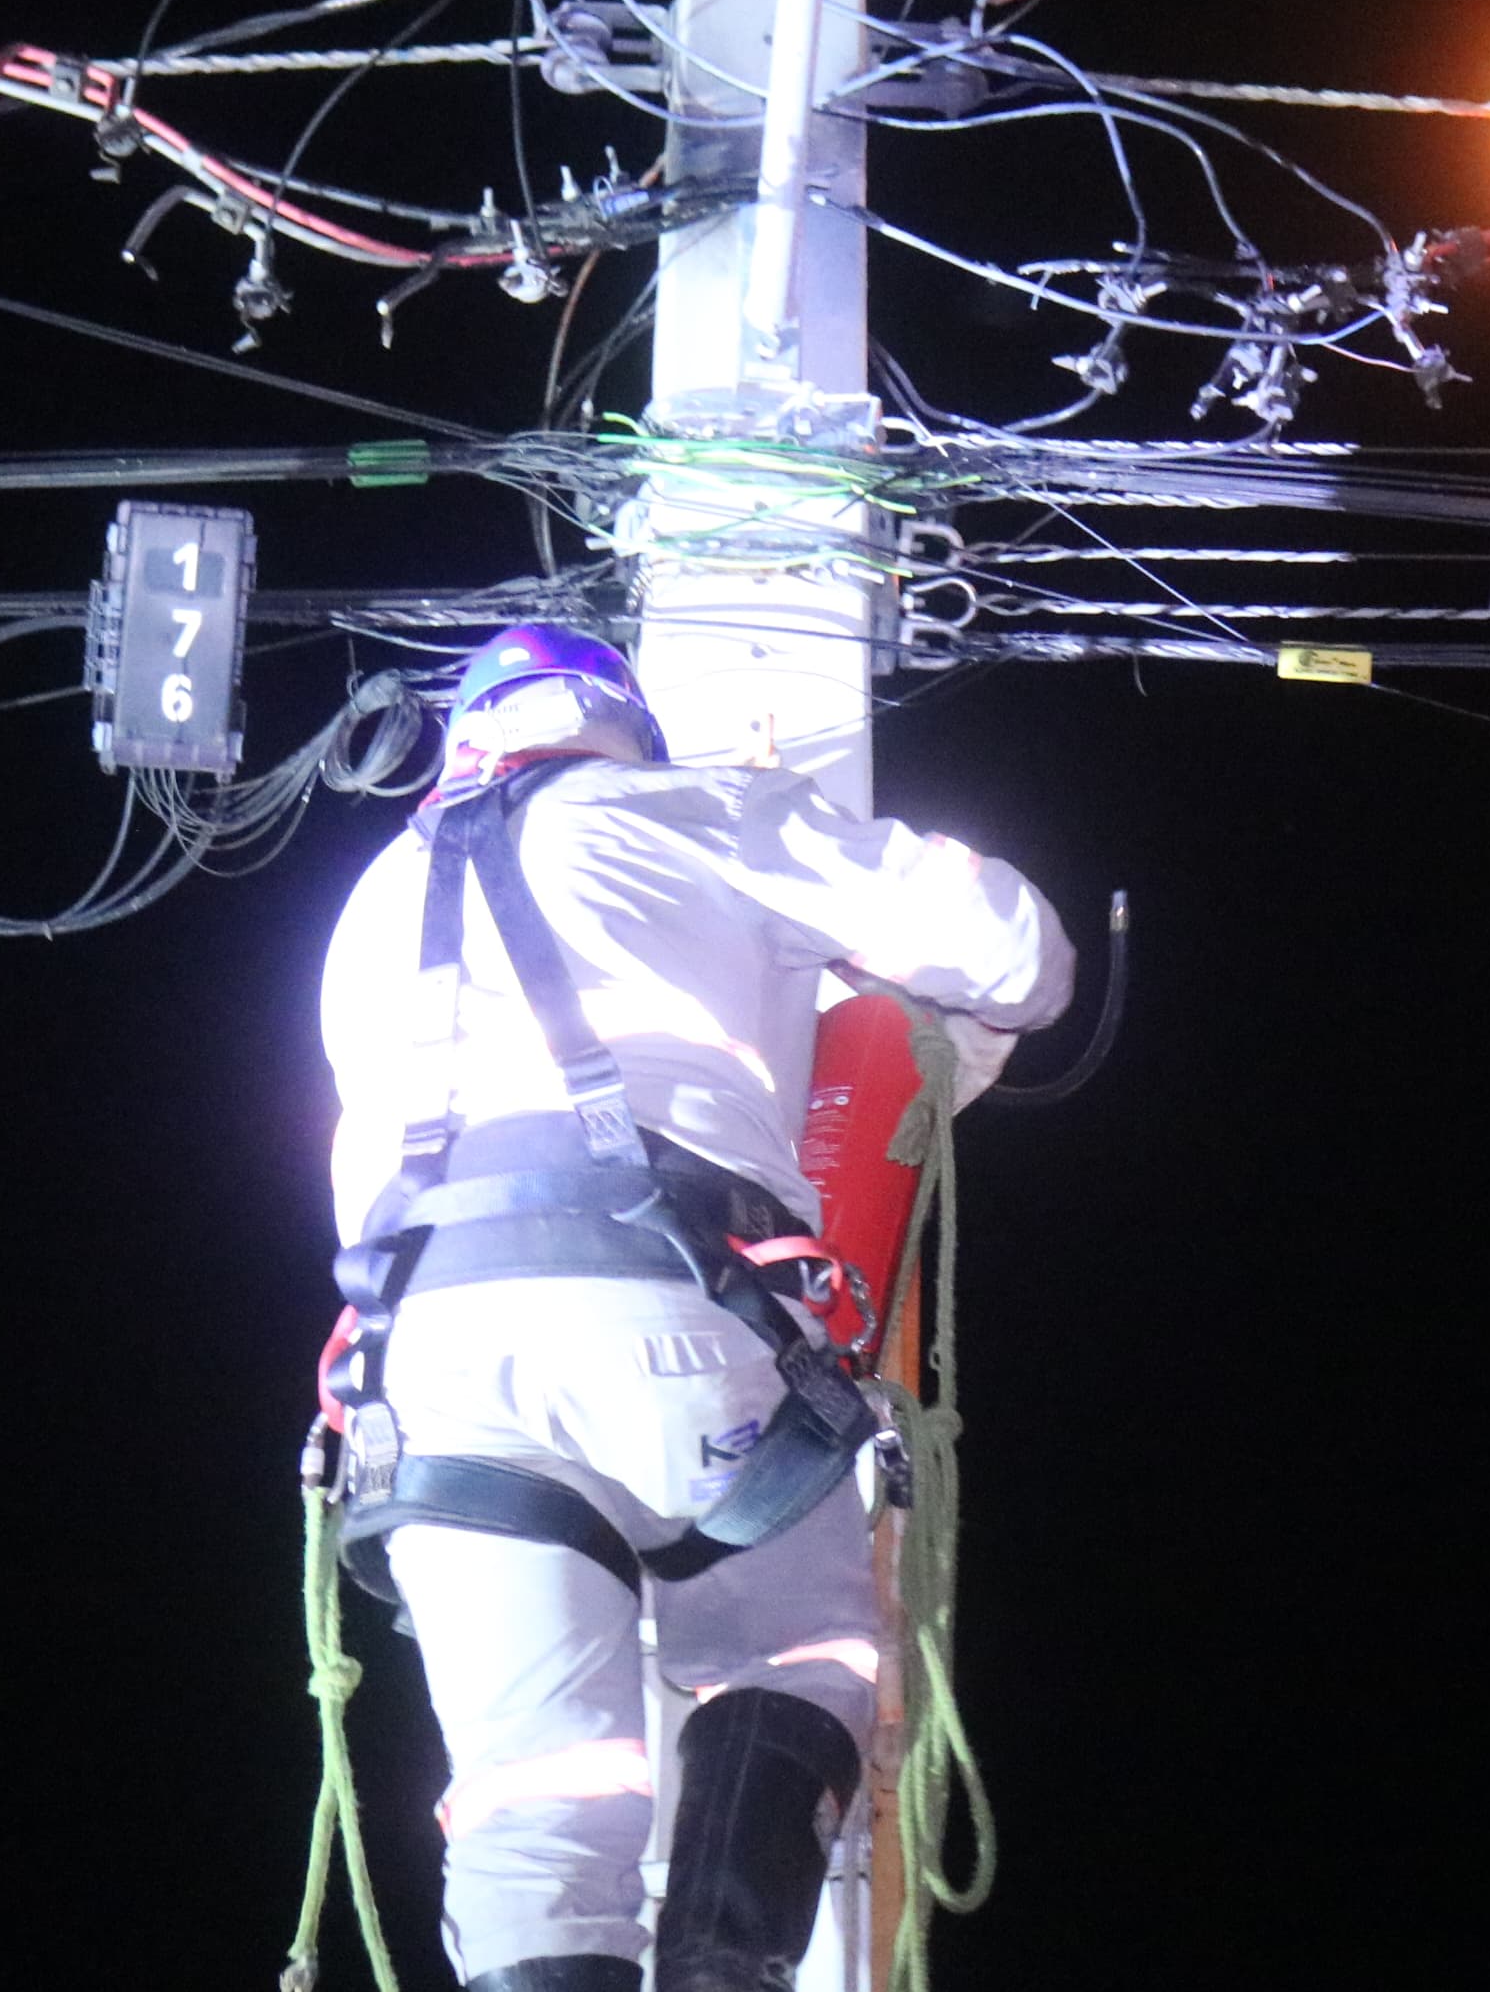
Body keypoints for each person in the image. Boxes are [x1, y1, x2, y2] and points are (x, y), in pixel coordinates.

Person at [314, 626, 1073, 1992]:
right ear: (620, 725)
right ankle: (724, 1970)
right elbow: (1015, 953)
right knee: (800, 1648)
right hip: (664, 1301)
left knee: (536, 1792)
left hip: (421, 1368)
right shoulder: (695, 806)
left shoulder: (374, 894)